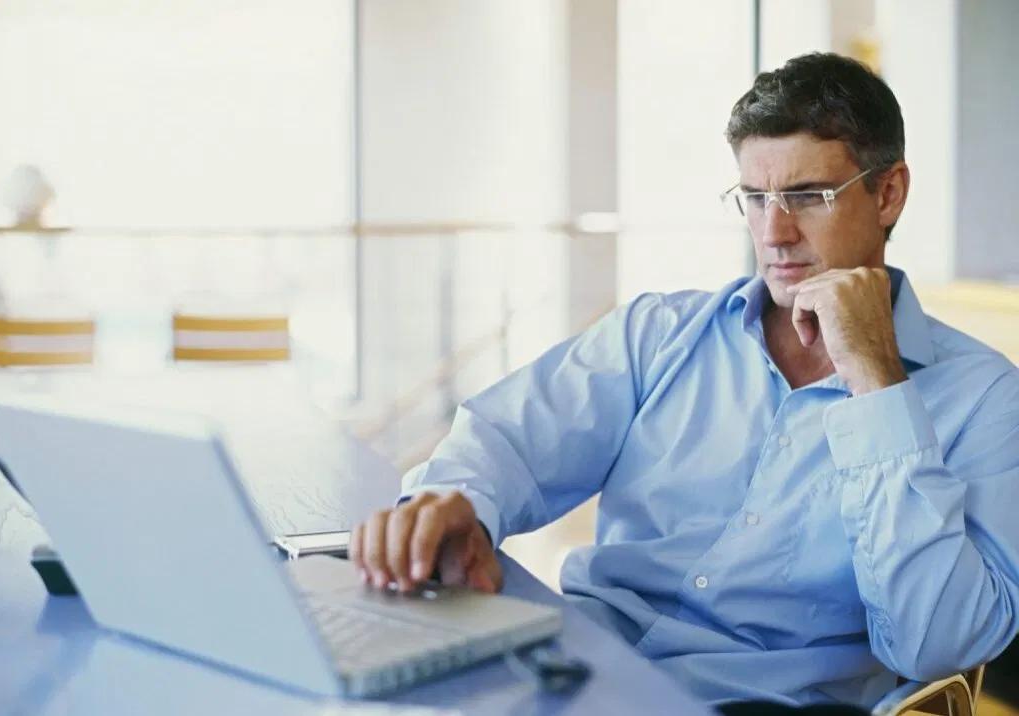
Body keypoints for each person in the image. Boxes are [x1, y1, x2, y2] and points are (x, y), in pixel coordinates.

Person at [350, 52, 1019, 714]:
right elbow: (511, 437)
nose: (774, 232)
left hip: (765, 704)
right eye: (754, 198)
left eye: (808, 197)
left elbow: (937, 644)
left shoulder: (984, 399)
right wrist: (456, 500)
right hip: (581, 674)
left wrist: (877, 380)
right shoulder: (659, 333)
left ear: (889, 193)